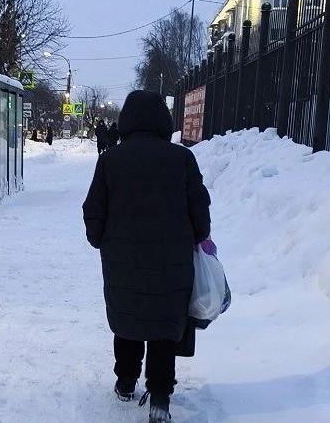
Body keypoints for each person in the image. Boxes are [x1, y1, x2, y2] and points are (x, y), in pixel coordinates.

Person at [81, 90, 211, 423]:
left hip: (122, 260)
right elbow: (200, 214)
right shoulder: (182, 159)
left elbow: (93, 210)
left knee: (128, 318)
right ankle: (161, 398)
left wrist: (100, 240)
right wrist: (196, 238)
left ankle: (126, 381)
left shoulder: (111, 159)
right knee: (164, 326)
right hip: (172, 263)